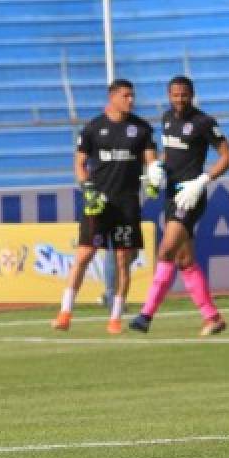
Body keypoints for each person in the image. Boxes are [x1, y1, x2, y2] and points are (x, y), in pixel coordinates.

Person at [130, 76, 229, 336]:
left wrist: (202, 181)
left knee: (165, 250)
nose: (179, 99)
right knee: (184, 260)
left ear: (192, 94)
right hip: (171, 195)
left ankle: (146, 315)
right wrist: (157, 169)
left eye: (184, 95)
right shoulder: (167, 119)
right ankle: (212, 317)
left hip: (190, 195)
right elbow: (171, 154)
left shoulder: (204, 123)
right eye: (175, 95)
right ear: (169, 96)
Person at [52, 79, 158, 335]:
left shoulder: (141, 129)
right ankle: (65, 313)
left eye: (132, 96)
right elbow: (79, 164)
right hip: (99, 204)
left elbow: (152, 162)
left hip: (127, 204)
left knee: (123, 260)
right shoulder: (93, 128)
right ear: (112, 96)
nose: (131, 100)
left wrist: (155, 177)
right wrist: (88, 189)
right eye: (126, 96)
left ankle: (115, 317)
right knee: (84, 256)